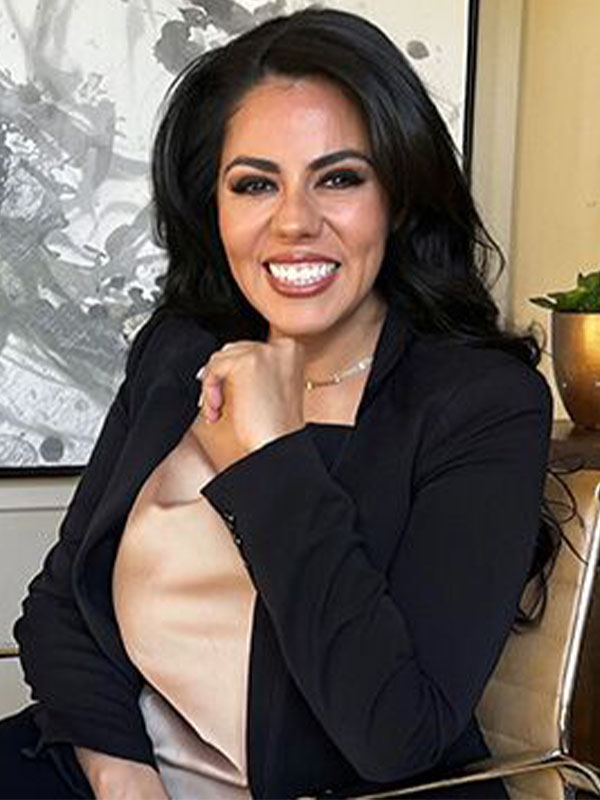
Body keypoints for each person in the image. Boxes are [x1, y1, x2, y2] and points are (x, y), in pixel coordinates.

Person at [0, 8, 556, 799]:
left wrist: (268, 458)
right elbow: (63, 604)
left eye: (339, 178)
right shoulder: (178, 350)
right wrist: (123, 779)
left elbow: (395, 734)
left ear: (399, 197)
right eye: (255, 183)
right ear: (213, 206)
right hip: (112, 771)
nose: (294, 222)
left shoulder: (482, 405)